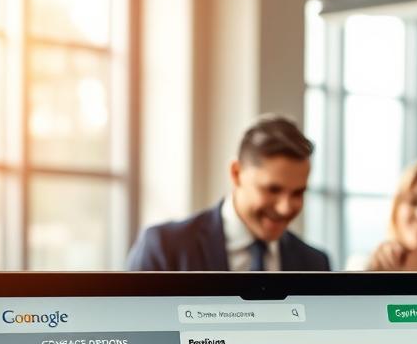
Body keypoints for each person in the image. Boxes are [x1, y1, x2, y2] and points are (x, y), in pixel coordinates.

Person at [127, 115, 330, 271]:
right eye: (272, 189)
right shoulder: (164, 249)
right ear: (236, 173)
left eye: (298, 193)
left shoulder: (315, 264)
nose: (285, 207)